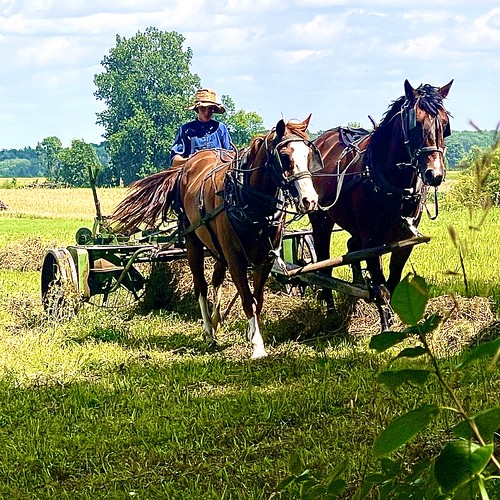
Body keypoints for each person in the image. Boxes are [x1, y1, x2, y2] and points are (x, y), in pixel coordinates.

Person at [170, 88, 233, 167]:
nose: (207, 112)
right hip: (191, 173)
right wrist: (192, 160)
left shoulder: (220, 128)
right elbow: (175, 160)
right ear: (197, 109)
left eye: (210, 109)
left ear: (213, 109)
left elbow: (231, 155)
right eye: (203, 108)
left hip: (217, 172)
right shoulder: (185, 130)